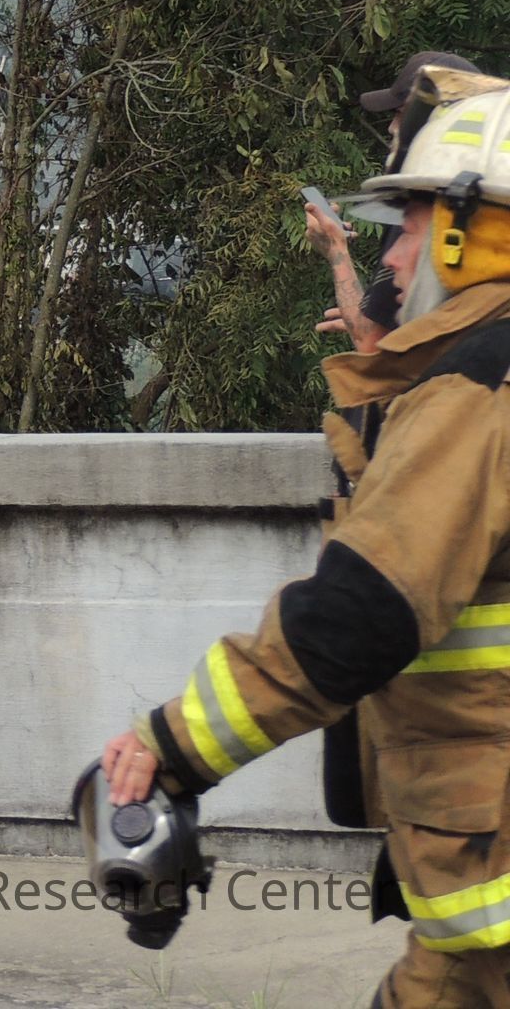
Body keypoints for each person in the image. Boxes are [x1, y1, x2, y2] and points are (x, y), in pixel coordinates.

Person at [103, 68, 510, 1005]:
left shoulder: (477, 392)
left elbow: (357, 613)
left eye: (409, 225)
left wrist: (174, 745)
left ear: (467, 232)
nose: (393, 256)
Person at [310, 52, 479, 354]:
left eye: (401, 114)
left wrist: (336, 249)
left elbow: (371, 344)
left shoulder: (426, 204)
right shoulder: (483, 205)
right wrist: (366, 316)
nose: (391, 127)